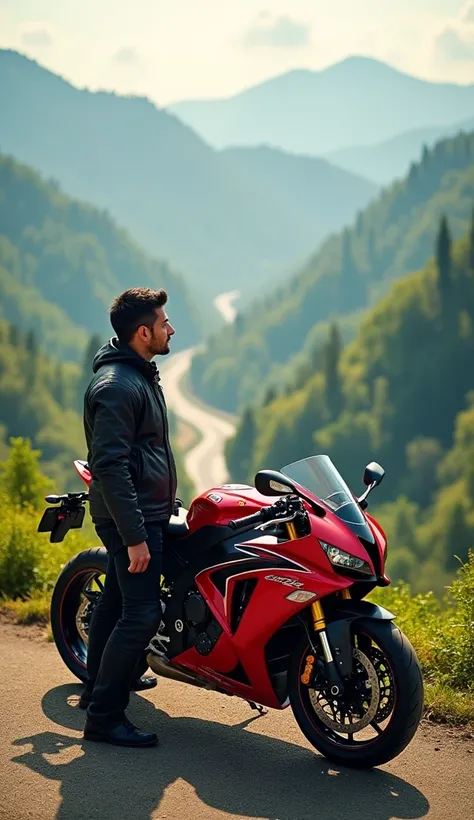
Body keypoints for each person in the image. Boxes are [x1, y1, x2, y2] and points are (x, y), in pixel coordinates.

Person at [80, 287, 177, 748]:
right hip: (129, 517)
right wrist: (136, 535)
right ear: (143, 333)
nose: (170, 328)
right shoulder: (119, 386)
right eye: (163, 323)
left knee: (117, 601)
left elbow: (143, 454)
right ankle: (104, 718)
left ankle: (94, 685)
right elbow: (111, 467)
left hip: (142, 509)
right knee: (142, 614)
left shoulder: (137, 374)